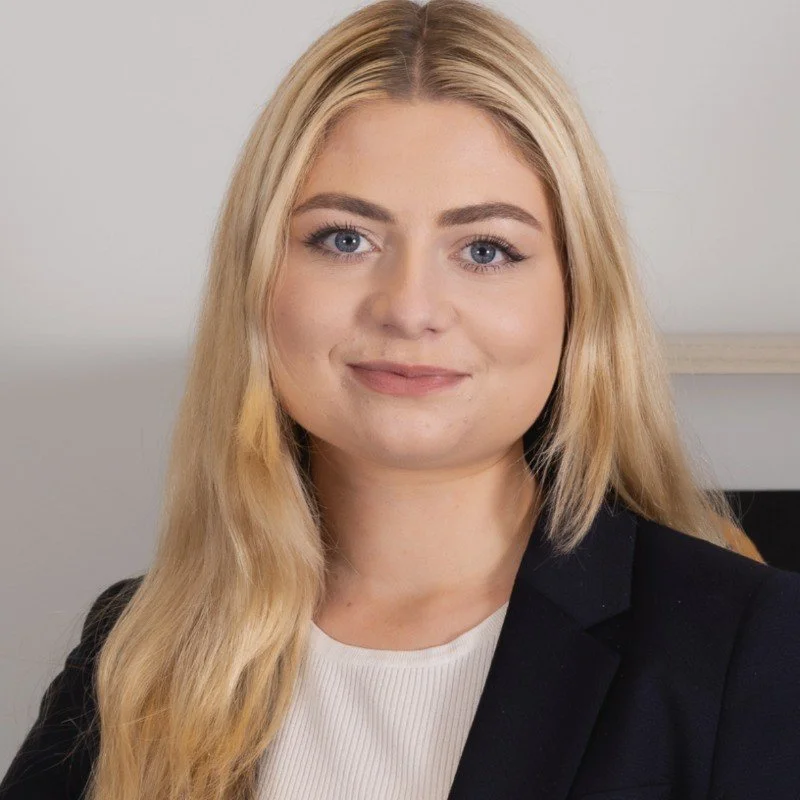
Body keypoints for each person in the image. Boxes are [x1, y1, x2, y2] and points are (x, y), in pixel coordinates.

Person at [1, 0, 796, 798]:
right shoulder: (140, 647)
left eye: (485, 249)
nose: (410, 307)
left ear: (578, 297)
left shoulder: (744, 646)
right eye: (345, 239)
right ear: (256, 282)